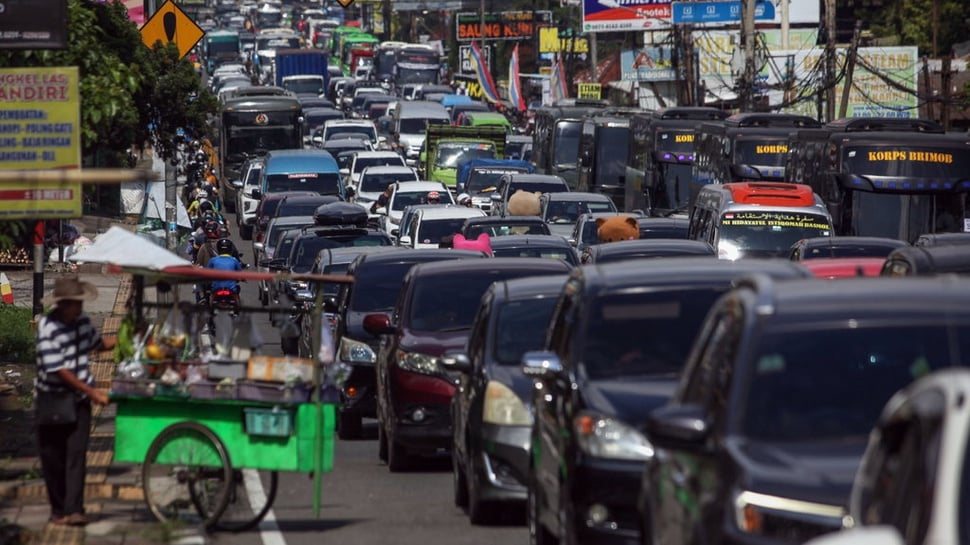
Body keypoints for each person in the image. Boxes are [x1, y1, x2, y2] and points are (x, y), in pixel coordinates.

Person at [35, 277, 116, 527]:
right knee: (53, 457)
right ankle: (58, 510)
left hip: (79, 400)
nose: (80, 308)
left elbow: (97, 344)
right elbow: (57, 368)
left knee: (76, 454)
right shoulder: (47, 327)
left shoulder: (82, 322)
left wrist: (125, 339)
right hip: (52, 398)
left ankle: (75, 509)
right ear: (63, 304)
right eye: (75, 304)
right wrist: (92, 392)